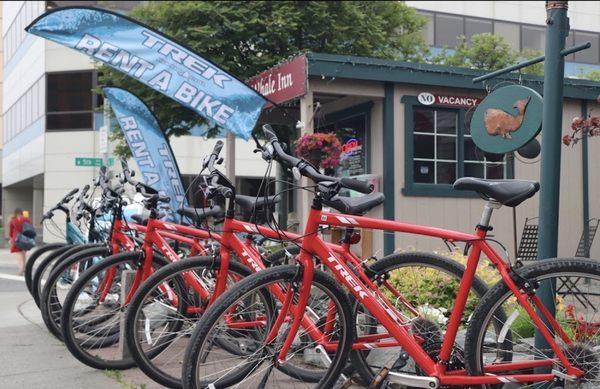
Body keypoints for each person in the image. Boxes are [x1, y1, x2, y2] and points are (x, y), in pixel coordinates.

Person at [9, 208, 32, 276]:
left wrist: (11, 239)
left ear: (15, 213)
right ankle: (24, 268)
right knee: (24, 254)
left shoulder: (13, 220)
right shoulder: (27, 219)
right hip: (26, 239)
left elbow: (11, 232)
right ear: (22, 213)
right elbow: (30, 228)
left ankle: (21, 269)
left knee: (19, 256)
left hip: (17, 239)